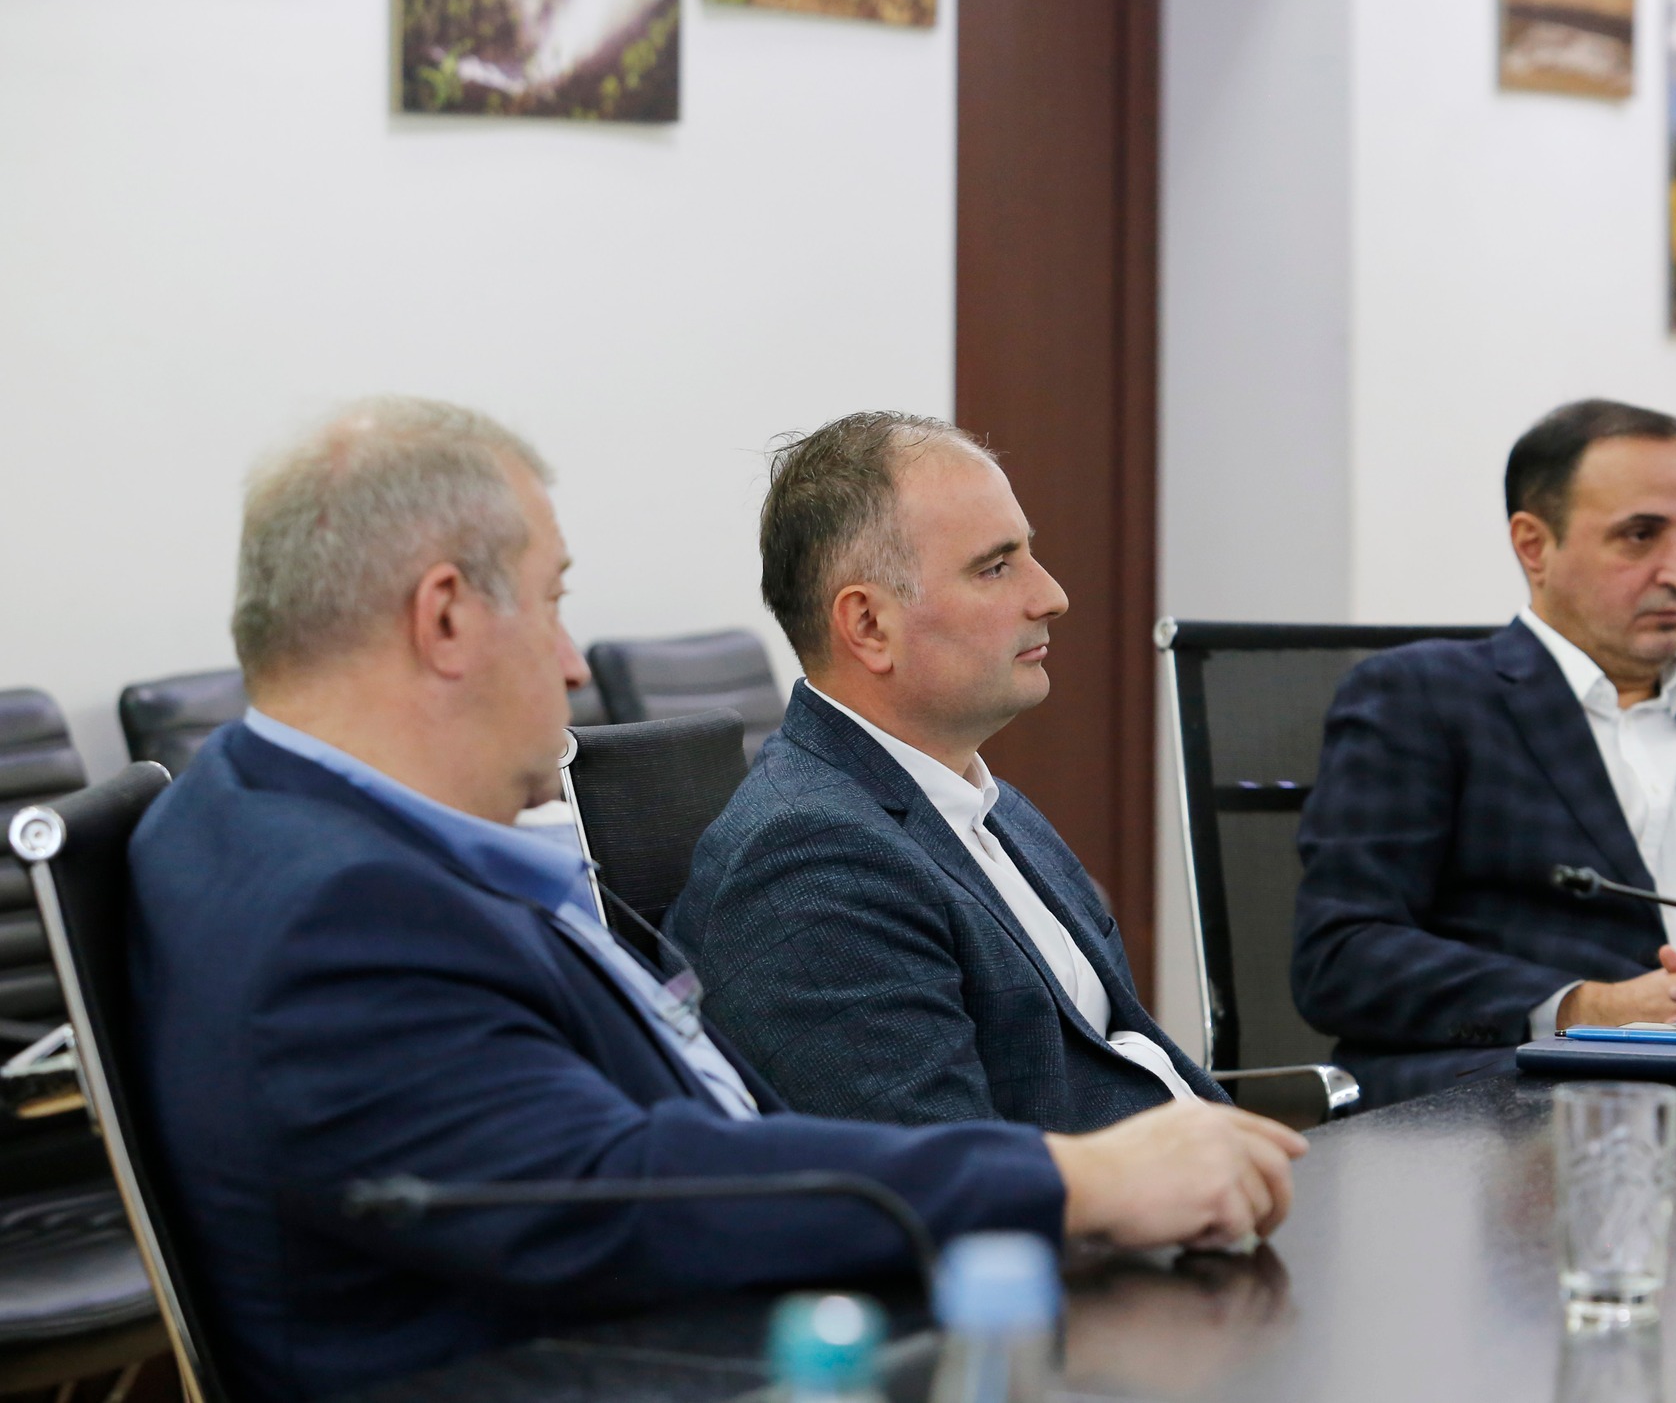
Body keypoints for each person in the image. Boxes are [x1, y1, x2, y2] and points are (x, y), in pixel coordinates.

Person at [128, 399, 1306, 1403]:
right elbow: (613, 1192)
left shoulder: (257, 817)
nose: (574, 662)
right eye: (551, 601)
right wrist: (1073, 1179)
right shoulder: (336, 913)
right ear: (444, 618)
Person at [668, 413, 1227, 1132]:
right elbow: (943, 1169)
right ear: (870, 626)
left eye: (1029, 554)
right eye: (995, 567)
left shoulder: (992, 806)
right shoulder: (812, 858)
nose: (1051, 595)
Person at [1291, 398, 1676, 1107]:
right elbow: (1341, 956)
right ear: (1535, 546)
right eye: (1640, 536)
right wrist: (1590, 1007)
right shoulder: (1421, 699)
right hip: (1523, 1099)